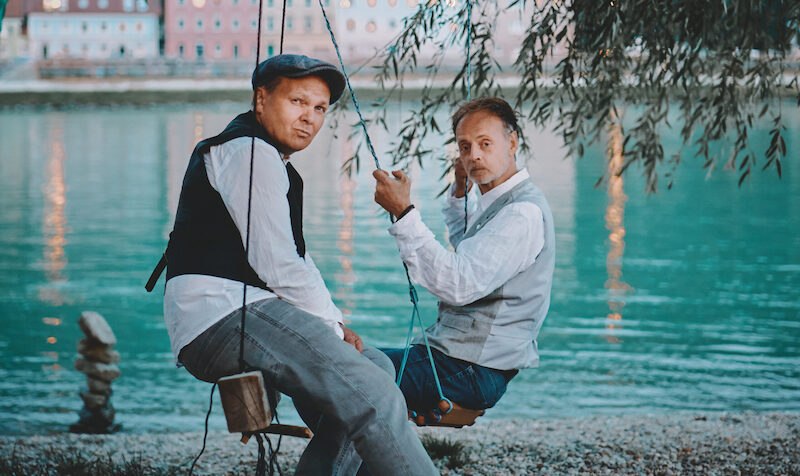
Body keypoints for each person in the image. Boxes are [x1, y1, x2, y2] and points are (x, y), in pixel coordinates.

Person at [161, 54, 437, 475]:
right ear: (261, 100)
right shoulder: (249, 153)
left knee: (376, 369)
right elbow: (278, 265)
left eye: (320, 108)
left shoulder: (271, 161)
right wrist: (329, 327)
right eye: (297, 102)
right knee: (373, 395)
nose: (309, 117)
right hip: (221, 313)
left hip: (238, 311)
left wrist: (334, 324)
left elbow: (296, 261)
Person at [372, 97, 555, 421]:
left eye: (485, 143)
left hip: (468, 369)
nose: (474, 155)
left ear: (512, 142)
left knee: (346, 376)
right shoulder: (499, 203)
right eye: (465, 146)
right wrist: (460, 190)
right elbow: (472, 244)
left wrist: (403, 212)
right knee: (345, 376)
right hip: (462, 362)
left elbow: (458, 284)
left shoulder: (520, 214)